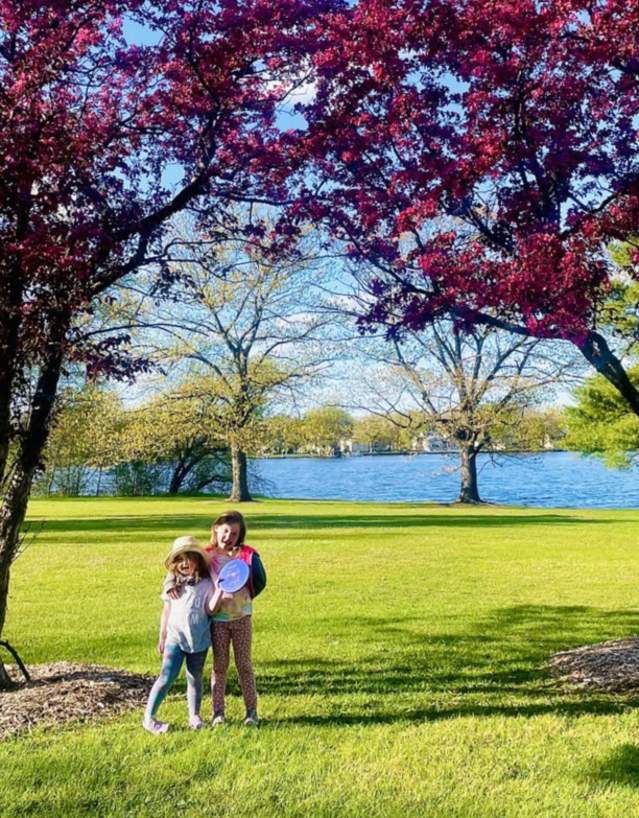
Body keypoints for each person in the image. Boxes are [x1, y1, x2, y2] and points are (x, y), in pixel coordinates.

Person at [164, 510, 266, 726]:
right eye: (226, 530)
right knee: (219, 667)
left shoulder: (246, 555)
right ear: (216, 529)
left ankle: (251, 711)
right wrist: (170, 583)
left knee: (244, 665)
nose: (229, 537)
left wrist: (248, 595)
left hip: (241, 618)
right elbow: (182, 565)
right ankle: (218, 712)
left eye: (235, 533)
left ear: (240, 536)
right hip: (217, 621)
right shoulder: (207, 555)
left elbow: (260, 580)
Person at [143, 535, 223, 735]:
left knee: (195, 677)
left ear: (198, 560)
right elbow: (166, 611)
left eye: (190, 558)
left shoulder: (206, 584)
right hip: (175, 639)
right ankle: (149, 717)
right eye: (180, 559)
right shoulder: (173, 586)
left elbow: (210, 610)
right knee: (166, 676)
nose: (185, 563)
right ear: (174, 564)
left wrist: (219, 592)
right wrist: (162, 636)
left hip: (199, 640)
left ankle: (194, 715)